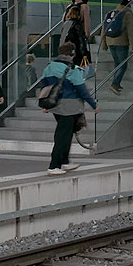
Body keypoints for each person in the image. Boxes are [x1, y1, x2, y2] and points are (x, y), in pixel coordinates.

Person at [43, 44, 97, 174]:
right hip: (70, 106)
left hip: (55, 105)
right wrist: (94, 105)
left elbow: (44, 87)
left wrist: (46, 105)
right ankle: (53, 166)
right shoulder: (72, 69)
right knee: (63, 136)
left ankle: (65, 162)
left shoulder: (49, 67)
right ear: (71, 54)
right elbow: (82, 90)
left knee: (65, 133)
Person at [99, 0, 133, 92]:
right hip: (121, 42)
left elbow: (103, 29)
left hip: (110, 41)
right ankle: (115, 83)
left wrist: (104, 43)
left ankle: (117, 84)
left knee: (117, 63)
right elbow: (130, 31)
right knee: (123, 64)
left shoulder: (110, 13)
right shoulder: (128, 14)